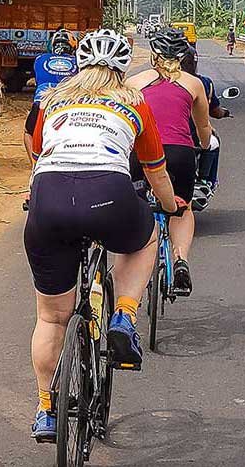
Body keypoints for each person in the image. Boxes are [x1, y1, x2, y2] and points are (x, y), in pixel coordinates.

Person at [24, 27, 184, 441]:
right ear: (124, 68)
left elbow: (41, 155)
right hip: (109, 195)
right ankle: (124, 316)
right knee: (145, 238)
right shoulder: (135, 102)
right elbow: (155, 170)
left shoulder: (52, 100)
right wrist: (169, 207)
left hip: (49, 200)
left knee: (50, 316)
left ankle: (46, 409)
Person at [130, 23, 211, 294]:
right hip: (180, 153)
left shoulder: (134, 82)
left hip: (141, 152)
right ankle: (180, 260)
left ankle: (136, 259)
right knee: (182, 208)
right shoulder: (194, 84)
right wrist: (203, 144)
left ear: (154, 55)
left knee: (137, 205)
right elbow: (203, 127)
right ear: (182, 55)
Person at [180, 41, 231, 211]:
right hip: (193, 138)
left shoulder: (162, 82)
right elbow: (214, 111)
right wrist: (224, 112)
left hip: (164, 136)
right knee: (213, 143)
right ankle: (205, 180)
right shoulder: (204, 83)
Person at [25, 28, 78, 153]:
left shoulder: (40, 59)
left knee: (28, 132)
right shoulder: (78, 63)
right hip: (69, 104)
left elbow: (39, 79)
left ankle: (34, 165)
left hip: (42, 103)